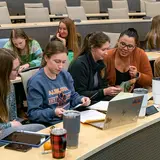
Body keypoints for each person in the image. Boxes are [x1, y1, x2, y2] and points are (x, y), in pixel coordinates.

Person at [27, 41, 90, 126]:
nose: (61, 66)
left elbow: (72, 96)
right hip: (50, 125)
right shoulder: (36, 82)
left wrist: (81, 99)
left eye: (63, 62)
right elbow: (33, 114)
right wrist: (53, 112)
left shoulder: (65, 75)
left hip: (69, 120)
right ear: (46, 58)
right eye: (57, 61)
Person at [0, 48, 45, 139]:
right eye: (15, 69)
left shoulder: (10, 86)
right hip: (4, 130)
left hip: (7, 128)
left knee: (41, 129)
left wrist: (14, 125)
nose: (19, 71)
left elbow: (13, 117)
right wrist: (9, 125)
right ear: (3, 70)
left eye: (19, 67)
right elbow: (12, 123)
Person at [68, 32, 122, 103]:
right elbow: (79, 94)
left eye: (107, 49)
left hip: (95, 102)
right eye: (103, 49)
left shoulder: (101, 63)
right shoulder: (79, 64)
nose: (106, 53)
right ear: (93, 48)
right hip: (82, 105)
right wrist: (104, 92)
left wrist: (112, 90)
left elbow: (103, 87)